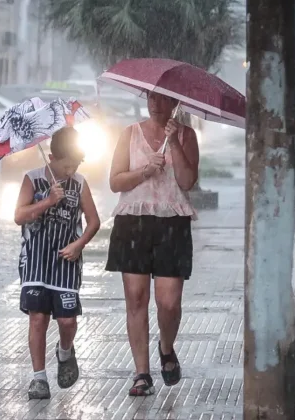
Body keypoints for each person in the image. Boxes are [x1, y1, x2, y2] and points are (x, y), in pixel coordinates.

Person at [106, 91, 199, 396]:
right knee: (136, 299)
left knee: (169, 303)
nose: (156, 105)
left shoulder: (186, 135)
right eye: (151, 98)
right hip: (133, 221)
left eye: (162, 99)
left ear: (175, 103)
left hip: (172, 220)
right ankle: (141, 372)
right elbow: (115, 181)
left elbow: (187, 182)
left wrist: (173, 142)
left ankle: (166, 347)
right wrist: (145, 171)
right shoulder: (129, 134)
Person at [14, 126, 100, 400]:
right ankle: (39, 378)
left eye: (75, 165)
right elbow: (19, 215)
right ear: (51, 157)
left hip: (66, 261)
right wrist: (48, 201)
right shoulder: (32, 179)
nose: (70, 170)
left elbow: (94, 221)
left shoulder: (79, 183)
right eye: (66, 165)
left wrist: (79, 244)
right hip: (36, 261)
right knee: (38, 318)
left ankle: (65, 352)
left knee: (66, 320)